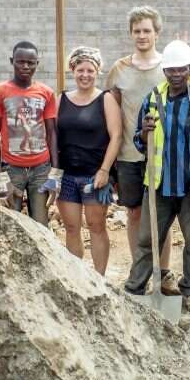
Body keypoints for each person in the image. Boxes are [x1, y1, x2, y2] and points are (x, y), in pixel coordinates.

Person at [106, 7, 190, 293]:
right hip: (133, 157)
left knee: (174, 225)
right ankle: (139, 278)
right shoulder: (121, 69)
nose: (141, 35)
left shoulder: (180, 73)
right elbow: (114, 109)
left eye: (147, 30)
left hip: (177, 166)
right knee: (139, 219)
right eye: (136, 30)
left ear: (156, 33)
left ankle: (165, 274)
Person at [124, 41, 190, 313]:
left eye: (181, 69)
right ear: (164, 71)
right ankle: (135, 289)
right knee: (146, 241)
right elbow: (139, 142)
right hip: (159, 186)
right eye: (170, 70)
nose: (175, 74)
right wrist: (143, 133)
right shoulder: (153, 99)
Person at [56, 47, 122, 274]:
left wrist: (105, 170)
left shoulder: (106, 99)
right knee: (72, 228)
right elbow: (53, 136)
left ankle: (99, 279)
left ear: (97, 72)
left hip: (95, 176)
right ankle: (78, 278)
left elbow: (116, 136)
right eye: (80, 69)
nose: (85, 75)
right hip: (67, 175)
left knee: (96, 226)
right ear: (72, 70)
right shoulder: (61, 100)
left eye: (90, 70)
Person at [0, 41, 59, 224]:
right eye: (20, 62)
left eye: (30, 62)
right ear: (12, 61)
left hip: (41, 169)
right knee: (11, 225)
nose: (25, 66)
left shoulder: (47, 93)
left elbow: (52, 133)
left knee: (41, 225)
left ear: (37, 64)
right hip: (12, 169)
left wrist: (55, 174)